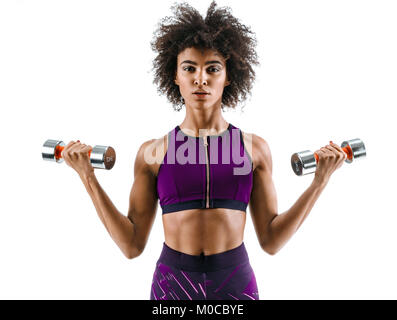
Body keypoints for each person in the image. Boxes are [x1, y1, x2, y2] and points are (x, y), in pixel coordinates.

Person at [60, 1, 347, 300]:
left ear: (228, 76)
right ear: (175, 76)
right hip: (173, 286)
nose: (201, 79)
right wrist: (88, 177)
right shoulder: (153, 153)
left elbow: (272, 241)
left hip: (235, 285)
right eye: (189, 68)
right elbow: (131, 245)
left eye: (212, 68)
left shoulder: (254, 149)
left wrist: (319, 181)